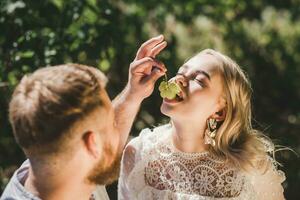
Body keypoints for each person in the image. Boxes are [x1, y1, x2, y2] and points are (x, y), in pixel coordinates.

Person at [1, 35, 167, 200]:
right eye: (111, 125)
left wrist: (133, 94)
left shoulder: (48, 163)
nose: (117, 130)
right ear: (93, 145)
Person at [118, 49, 286, 200]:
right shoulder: (138, 155)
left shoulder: (252, 169)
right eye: (180, 72)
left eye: (198, 80)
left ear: (219, 112)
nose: (179, 80)